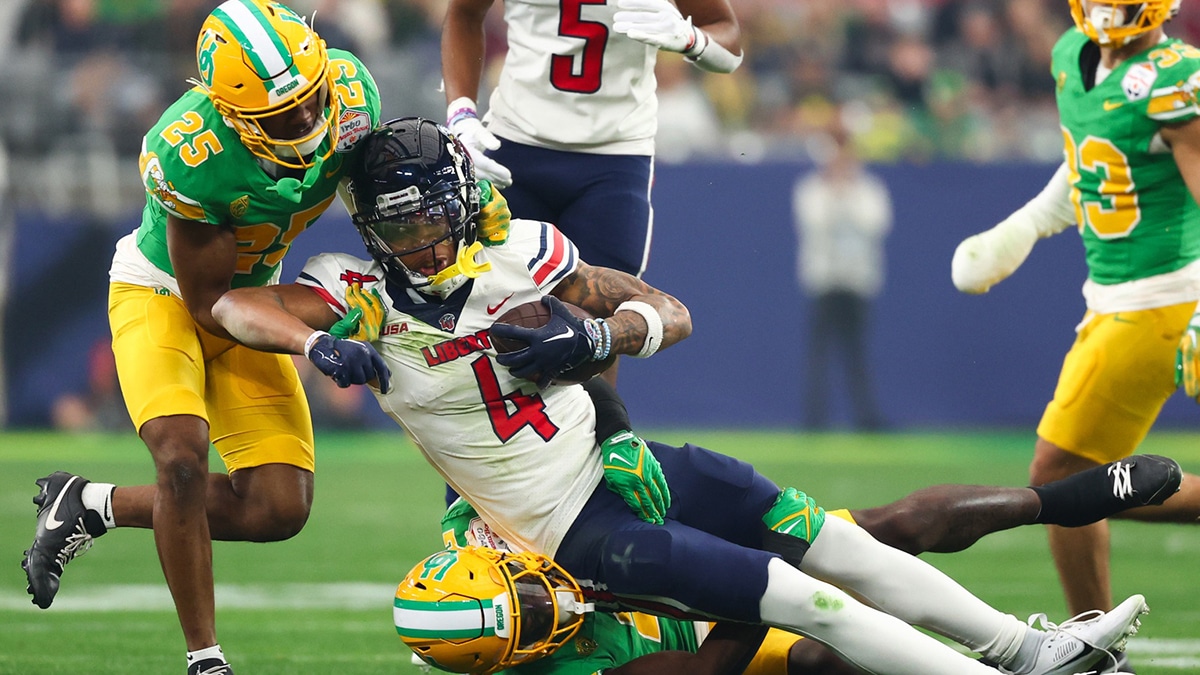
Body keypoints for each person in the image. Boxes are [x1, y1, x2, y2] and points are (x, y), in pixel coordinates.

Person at [213, 117, 1150, 675]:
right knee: (805, 602)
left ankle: (1030, 652)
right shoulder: (363, 300)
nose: (414, 238)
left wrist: (599, 336)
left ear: (462, 201)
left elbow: (667, 309)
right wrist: (312, 341)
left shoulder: (523, 253)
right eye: (394, 223)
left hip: (634, 467)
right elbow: (234, 302)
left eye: (425, 215)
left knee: (845, 546)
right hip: (567, 528)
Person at [20, 2, 386, 674]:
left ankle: (89, 503)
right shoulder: (190, 154)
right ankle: (205, 658)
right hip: (169, 297)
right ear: (237, 114)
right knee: (181, 458)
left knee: (279, 507)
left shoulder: (352, 90)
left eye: (311, 101)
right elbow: (213, 305)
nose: (308, 122)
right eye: (284, 116)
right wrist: (310, 341)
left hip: (256, 290)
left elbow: (376, 205)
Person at [397, 442, 1181, 675]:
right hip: (698, 636)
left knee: (878, 529)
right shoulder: (545, 667)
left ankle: (1076, 498)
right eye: (531, 627)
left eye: (529, 600)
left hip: (632, 543)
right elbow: (707, 669)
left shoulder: (489, 504)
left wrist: (616, 442)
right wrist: (753, 581)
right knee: (821, 655)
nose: (546, 611)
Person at [950, 1, 1200, 660]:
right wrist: (1029, 223)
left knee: (1061, 481)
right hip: (1113, 298)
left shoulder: (1175, 76)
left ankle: (1091, 642)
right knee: (1067, 478)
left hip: (1163, 297)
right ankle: (1094, 639)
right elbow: (1090, 163)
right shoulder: (1072, 57)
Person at [440, 0, 743, 285]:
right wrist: (461, 115)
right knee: (493, 314)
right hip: (514, 147)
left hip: (614, 159)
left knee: (600, 321)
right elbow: (464, 13)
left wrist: (691, 39)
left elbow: (727, 42)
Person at [794, 125, 891, 430]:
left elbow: (875, 225)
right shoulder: (810, 188)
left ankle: (867, 419)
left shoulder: (869, 189)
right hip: (823, 280)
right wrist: (834, 193)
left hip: (858, 280)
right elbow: (814, 224)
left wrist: (846, 194)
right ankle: (814, 420)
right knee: (819, 354)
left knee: (856, 353)